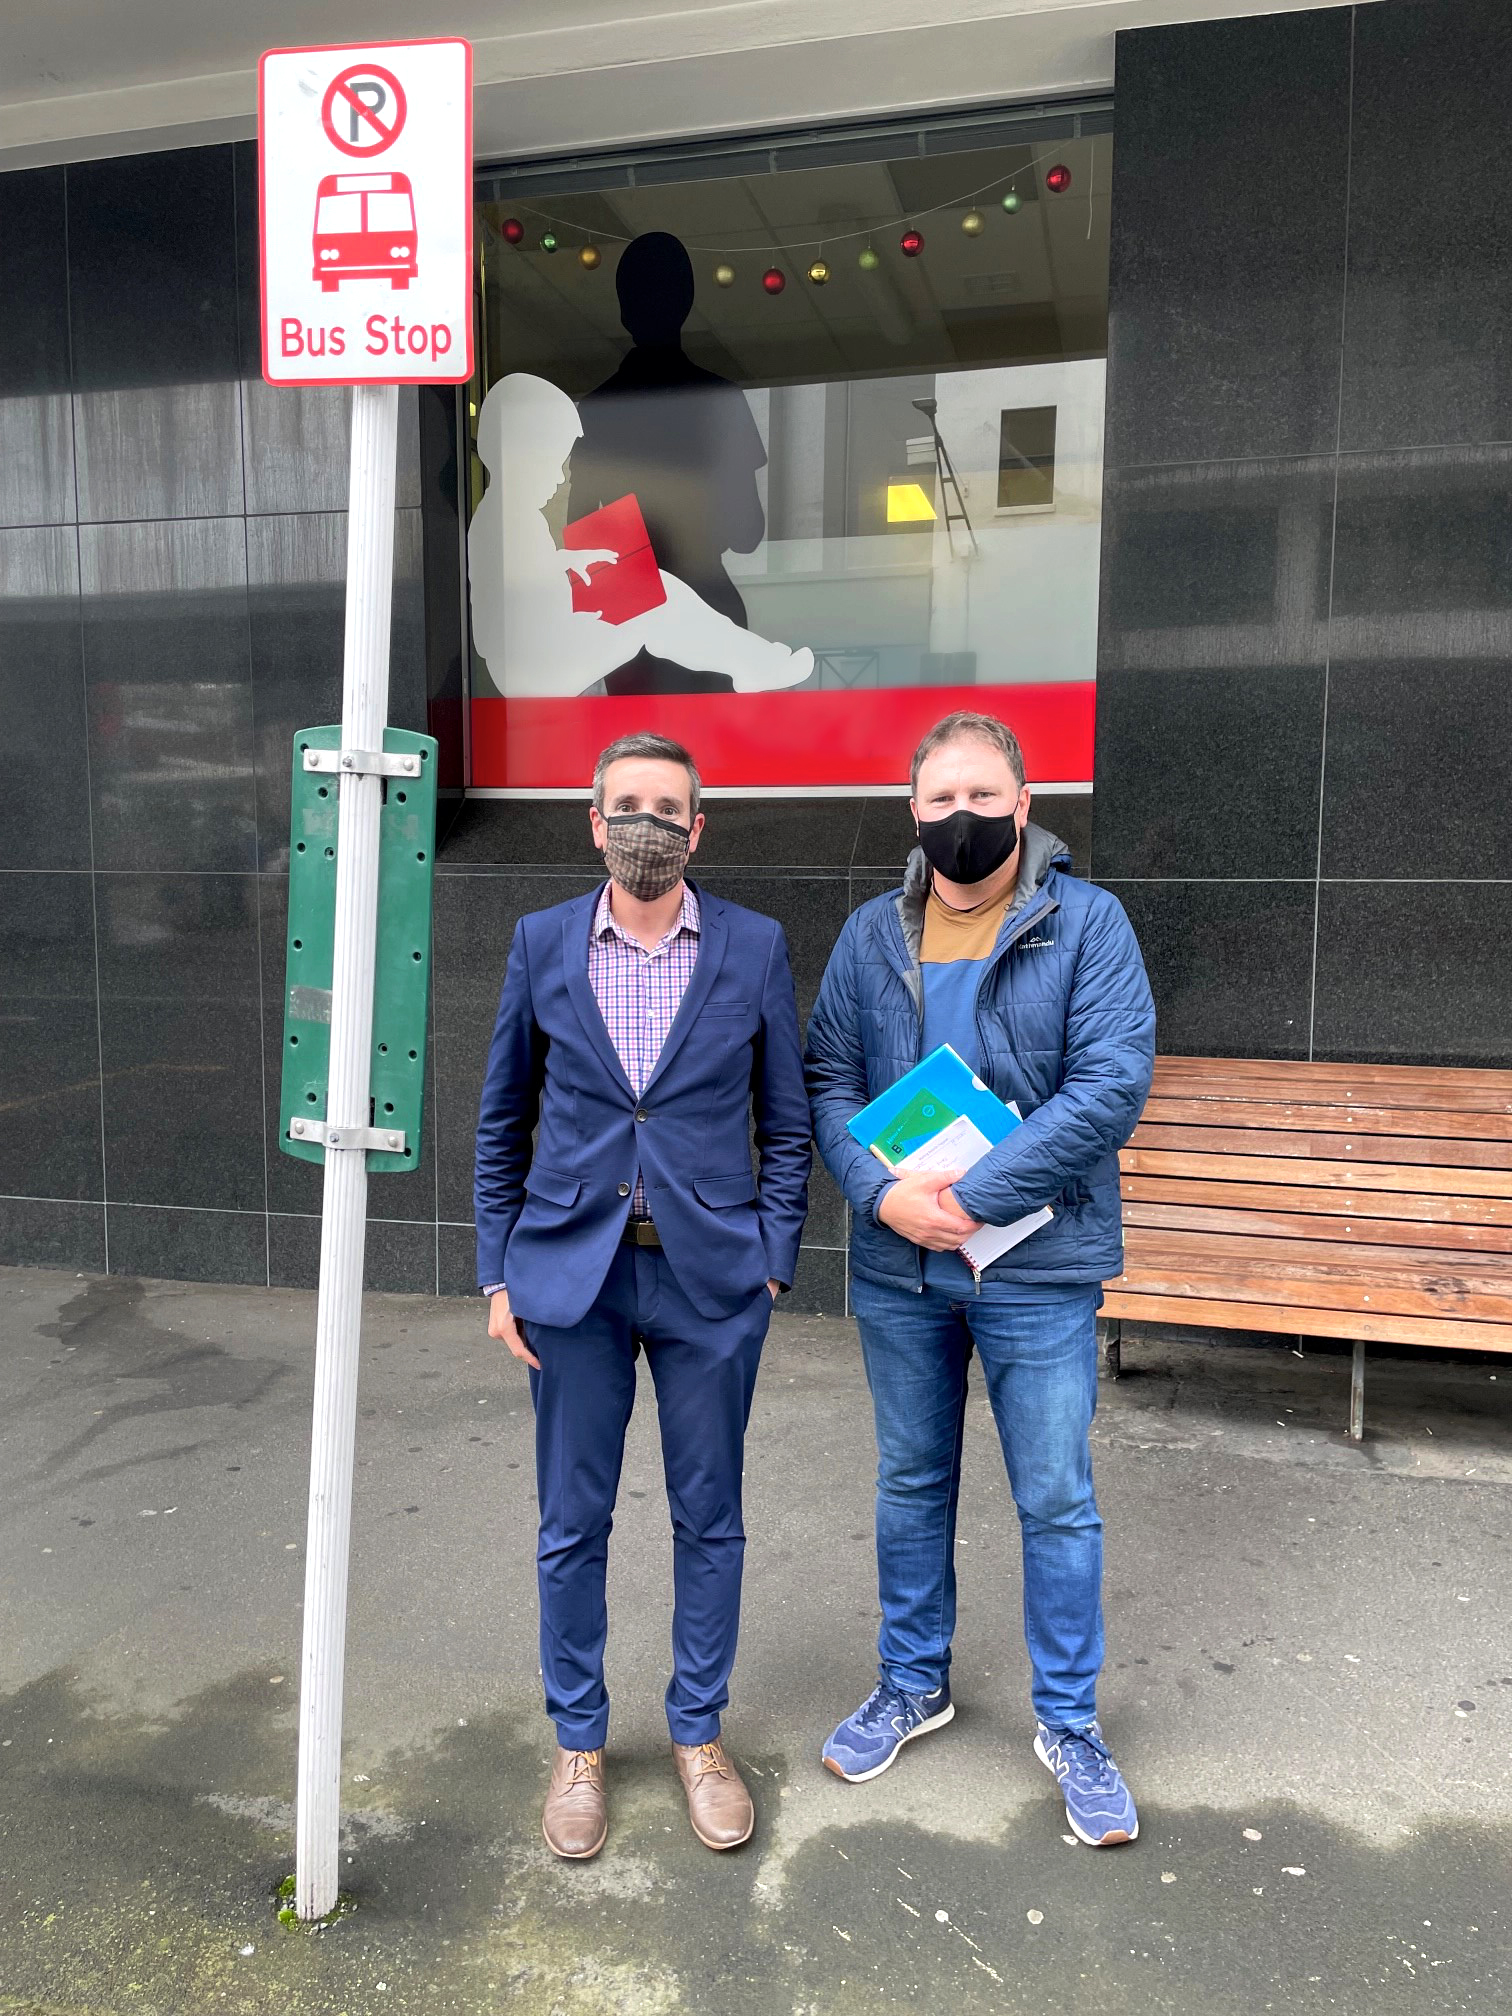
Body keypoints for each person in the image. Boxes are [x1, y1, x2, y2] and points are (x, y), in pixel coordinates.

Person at [804, 710, 1155, 1848]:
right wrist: (879, 1193)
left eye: (983, 796)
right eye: (942, 799)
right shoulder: (869, 937)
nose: (964, 818)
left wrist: (975, 1198)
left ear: (1025, 800)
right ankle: (915, 1681)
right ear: (914, 811)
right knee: (912, 1481)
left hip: (1037, 1269)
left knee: (1054, 1496)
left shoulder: (1087, 924)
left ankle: (1070, 1722)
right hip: (903, 1268)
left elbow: (1110, 1087)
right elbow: (826, 1077)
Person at [475, 732, 811, 1860]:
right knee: (572, 1523)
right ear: (593, 819)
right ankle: (579, 1742)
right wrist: (496, 1269)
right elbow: (500, 1119)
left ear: (699, 827)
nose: (648, 825)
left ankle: (698, 1735)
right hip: (571, 1278)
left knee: (709, 1517)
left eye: (669, 809)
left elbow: (788, 1122)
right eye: (628, 806)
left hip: (711, 1282)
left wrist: (771, 1259)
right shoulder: (541, 944)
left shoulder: (755, 947)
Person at [467, 371, 812, 699]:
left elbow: (521, 577)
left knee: (657, 589)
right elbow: (513, 595)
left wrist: (568, 561)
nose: (560, 480)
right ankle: (755, 663)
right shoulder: (502, 518)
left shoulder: (507, 515)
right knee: (657, 602)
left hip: (543, 652)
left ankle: (754, 662)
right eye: (552, 464)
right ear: (516, 456)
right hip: (538, 665)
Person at [572, 230, 768, 690]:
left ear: (623, 310)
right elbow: (748, 534)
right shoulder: (719, 400)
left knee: (638, 755)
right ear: (687, 302)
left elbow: (581, 533)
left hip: (630, 619)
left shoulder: (599, 409)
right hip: (708, 600)